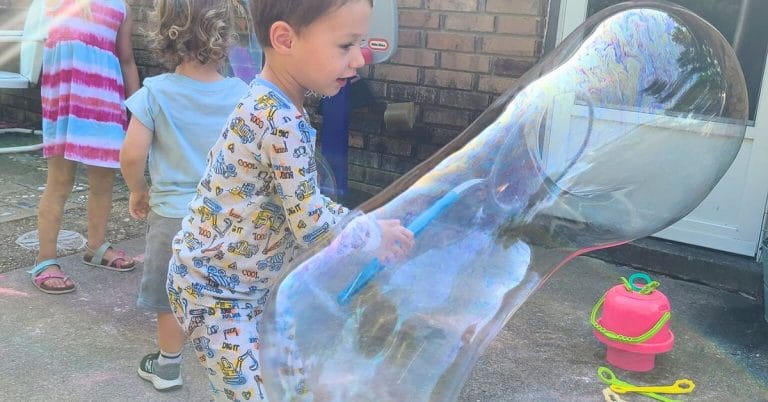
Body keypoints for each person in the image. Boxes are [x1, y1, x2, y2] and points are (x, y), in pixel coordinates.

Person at [166, 0, 415, 399]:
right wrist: (368, 234)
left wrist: (358, 224)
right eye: (345, 45)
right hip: (215, 294)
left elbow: (300, 202)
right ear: (284, 39)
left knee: (290, 387)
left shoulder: (272, 104)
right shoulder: (279, 121)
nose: (359, 60)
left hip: (255, 289)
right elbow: (311, 224)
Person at [119, 0, 249, 392]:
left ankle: (168, 368)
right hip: (227, 217)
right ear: (225, 38)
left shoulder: (155, 92)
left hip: (174, 217)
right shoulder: (242, 93)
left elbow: (131, 154)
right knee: (226, 295)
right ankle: (233, 370)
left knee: (170, 296)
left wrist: (139, 190)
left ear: (163, 36)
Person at [29, 0, 140, 294]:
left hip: (105, 102)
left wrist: (139, 110)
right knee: (59, 181)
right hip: (66, 104)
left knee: (104, 181)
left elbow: (126, 60)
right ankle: (45, 259)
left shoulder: (123, 7)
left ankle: (96, 246)